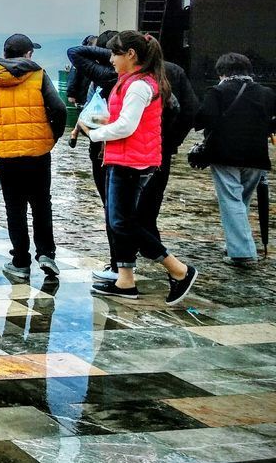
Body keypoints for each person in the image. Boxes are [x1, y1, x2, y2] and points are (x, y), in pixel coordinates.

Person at [79, 31, 199, 305]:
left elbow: (126, 126)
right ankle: (125, 280)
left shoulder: (140, 85)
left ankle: (179, 270)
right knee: (118, 220)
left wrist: (94, 133)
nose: (110, 59)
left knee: (123, 222)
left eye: (114, 53)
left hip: (132, 162)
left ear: (130, 55)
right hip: (123, 158)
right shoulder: (131, 81)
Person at [0, 34, 67, 282]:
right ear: (27, 54)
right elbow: (58, 109)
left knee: (14, 209)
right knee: (41, 205)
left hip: (7, 157)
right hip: (39, 153)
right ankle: (46, 254)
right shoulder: (38, 75)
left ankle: (20, 262)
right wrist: (52, 136)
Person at [195, 53, 276, 265]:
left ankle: (243, 252)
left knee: (231, 201)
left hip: (225, 154)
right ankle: (235, 243)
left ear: (221, 72)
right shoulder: (266, 93)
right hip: (256, 156)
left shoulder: (217, 91)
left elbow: (204, 119)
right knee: (241, 201)